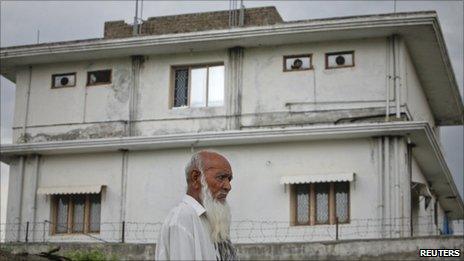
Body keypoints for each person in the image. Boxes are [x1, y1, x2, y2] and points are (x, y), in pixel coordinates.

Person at [155, 150, 237, 260]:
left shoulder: (211, 219)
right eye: (221, 177)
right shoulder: (183, 217)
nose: (228, 186)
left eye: (229, 179)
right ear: (195, 178)